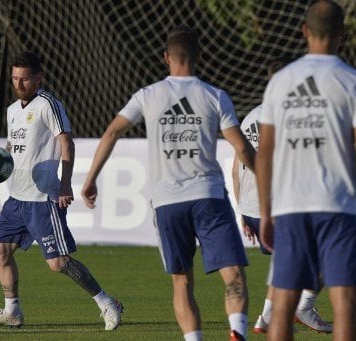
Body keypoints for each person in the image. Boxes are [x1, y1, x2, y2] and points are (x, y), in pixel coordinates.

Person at [81, 26, 256, 341]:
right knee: (233, 276)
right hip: (209, 198)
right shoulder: (215, 95)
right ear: (198, 57)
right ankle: (237, 331)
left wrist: (90, 179)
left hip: (167, 203)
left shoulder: (148, 95)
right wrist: (264, 178)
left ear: (166, 58)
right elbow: (242, 148)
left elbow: (112, 132)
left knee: (182, 283)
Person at [255, 1, 356, 340]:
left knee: (282, 304)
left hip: (291, 206)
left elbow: (264, 152)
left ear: (304, 31)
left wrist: (266, 212)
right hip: (339, 205)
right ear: (342, 33)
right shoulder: (353, 81)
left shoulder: (280, 82)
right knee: (345, 303)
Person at [0, 51, 123, 331]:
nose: (19, 84)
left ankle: (107, 303)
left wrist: (65, 183)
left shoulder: (48, 105)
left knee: (57, 263)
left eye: (25, 79)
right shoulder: (11, 110)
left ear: (38, 78)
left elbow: (66, 143)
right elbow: (10, 149)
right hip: (16, 199)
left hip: (43, 199)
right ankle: (12, 311)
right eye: (15, 78)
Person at [231, 60, 332, 334]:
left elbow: (236, 165)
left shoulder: (252, 116)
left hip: (253, 206)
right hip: (277, 205)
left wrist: (242, 210)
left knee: (286, 261)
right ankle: (302, 307)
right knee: (325, 252)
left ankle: (267, 319)